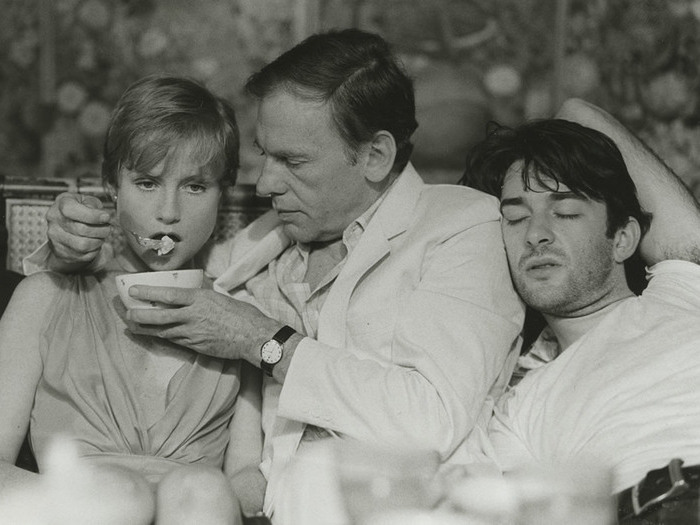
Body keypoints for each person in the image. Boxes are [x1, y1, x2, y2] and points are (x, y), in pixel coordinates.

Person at [25, 29, 524, 521]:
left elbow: (431, 421)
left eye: (292, 161)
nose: (265, 183)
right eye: (266, 154)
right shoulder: (257, 244)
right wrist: (71, 243)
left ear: (375, 155)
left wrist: (264, 341)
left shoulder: (461, 227)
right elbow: (148, 265)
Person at [1, 75, 265, 524]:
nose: (168, 211)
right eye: (146, 183)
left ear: (223, 194)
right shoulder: (44, 298)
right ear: (112, 187)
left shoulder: (240, 320)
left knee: (199, 488)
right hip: (74, 512)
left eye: (195, 186)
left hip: (197, 512)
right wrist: (117, 495)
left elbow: (244, 474)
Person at [461, 99, 700, 523]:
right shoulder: (516, 408)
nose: (536, 234)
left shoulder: (683, 292)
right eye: (515, 219)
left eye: (566, 211)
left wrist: (539, 147)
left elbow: (578, 110)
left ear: (623, 239)